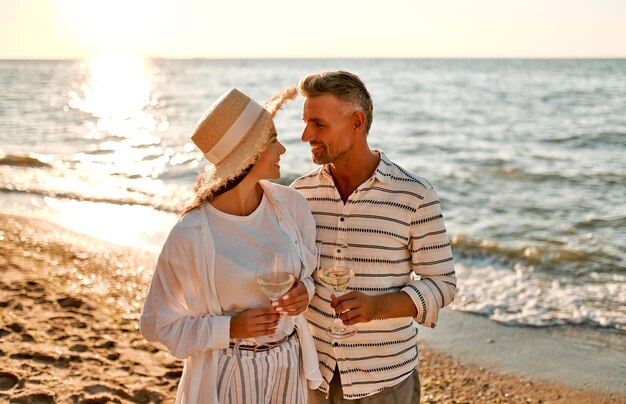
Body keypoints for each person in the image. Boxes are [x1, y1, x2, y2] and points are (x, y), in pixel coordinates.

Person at [140, 87, 323, 403]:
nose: (282, 149)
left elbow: (311, 275)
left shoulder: (291, 205)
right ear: (247, 153)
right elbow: (157, 326)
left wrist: (305, 292)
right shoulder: (192, 233)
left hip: (288, 365)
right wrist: (228, 328)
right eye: (272, 141)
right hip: (227, 373)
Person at [291, 71, 457, 403]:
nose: (305, 135)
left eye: (318, 124)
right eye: (306, 122)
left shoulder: (414, 194)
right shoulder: (299, 194)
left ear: (356, 122)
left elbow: (442, 284)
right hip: (311, 376)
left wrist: (377, 307)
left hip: (384, 383)